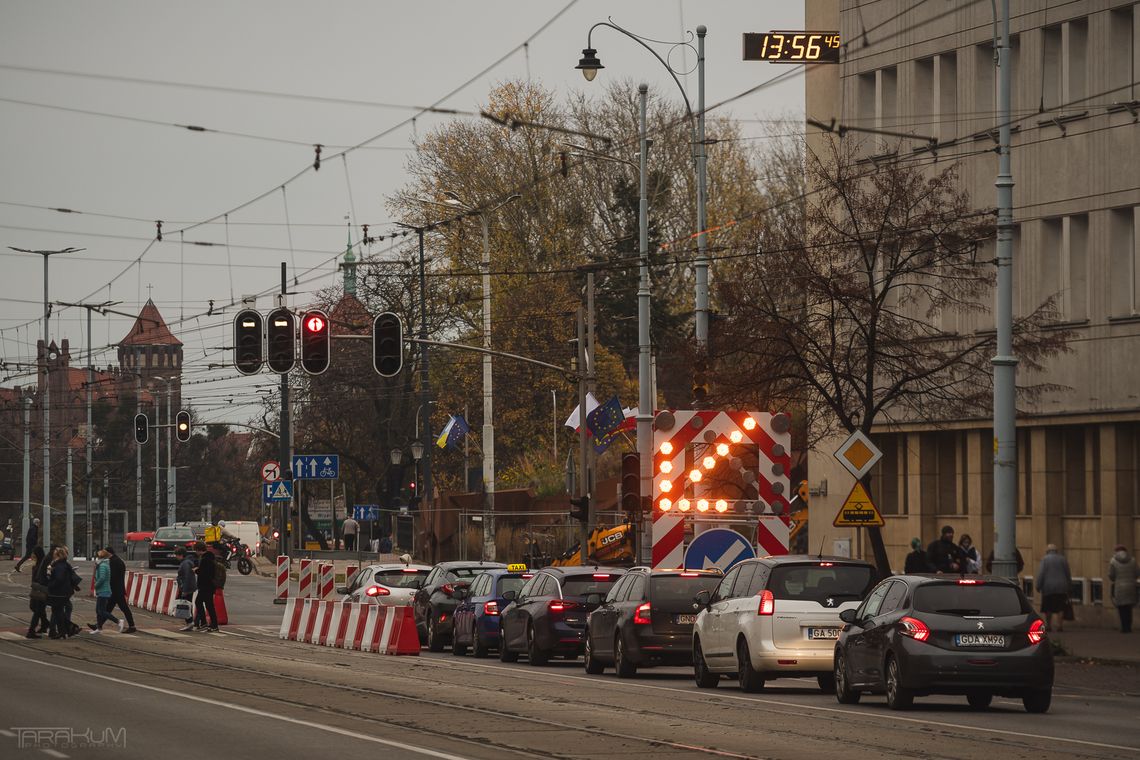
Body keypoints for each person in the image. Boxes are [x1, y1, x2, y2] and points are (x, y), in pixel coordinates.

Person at [1037, 544, 1072, 632]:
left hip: (1048, 587)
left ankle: (1049, 625)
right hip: (1061, 587)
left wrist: (1038, 585)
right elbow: (1067, 573)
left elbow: (1041, 574)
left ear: (1047, 551)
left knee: (1048, 607)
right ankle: (1060, 625)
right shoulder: (1063, 559)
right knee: (1060, 607)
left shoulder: (1044, 559)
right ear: (1056, 551)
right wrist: (1069, 585)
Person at [46, 546, 80, 638]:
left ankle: (68, 629)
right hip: (63, 592)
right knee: (58, 611)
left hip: (59, 592)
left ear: (58, 555)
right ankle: (65, 631)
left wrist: (50, 583)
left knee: (57, 611)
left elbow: (59, 579)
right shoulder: (62, 564)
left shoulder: (59, 565)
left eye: (54, 554)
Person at [86, 548, 122, 634]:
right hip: (102, 591)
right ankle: (99, 627)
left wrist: (95, 585)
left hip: (104, 591)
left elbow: (102, 578)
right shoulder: (102, 564)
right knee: (98, 610)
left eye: (97, 556)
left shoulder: (103, 565)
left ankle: (118, 621)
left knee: (101, 611)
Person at [104, 544, 137, 633]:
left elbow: (112, 576)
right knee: (107, 609)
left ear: (108, 553)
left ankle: (132, 626)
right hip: (117, 590)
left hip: (116, 591)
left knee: (124, 608)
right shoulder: (117, 560)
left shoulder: (114, 562)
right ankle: (98, 625)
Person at [1108, 544, 1137, 634]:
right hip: (1131, 586)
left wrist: (1114, 579)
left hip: (1119, 586)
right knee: (1129, 607)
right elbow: (1137, 573)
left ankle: (1124, 627)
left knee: (1121, 608)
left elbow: (1111, 575)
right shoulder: (1132, 560)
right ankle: (1129, 626)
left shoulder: (1113, 561)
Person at [192, 542, 219, 632]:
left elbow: (204, 573)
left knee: (200, 603)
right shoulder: (209, 558)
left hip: (206, 586)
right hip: (209, 586)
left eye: (196, 550)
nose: (196, 552)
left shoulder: (205, 559)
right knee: (208, 605)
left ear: (199, 550)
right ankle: (212, 624)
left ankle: (207, 623)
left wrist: (196, 571)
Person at [25, 546, 50, 638]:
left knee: (38, 610)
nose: (32, 555)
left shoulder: (42, 565)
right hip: (36, 590)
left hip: (41, 590)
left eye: (33, 553)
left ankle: (31, 631)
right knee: (35, 608)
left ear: (37, 554)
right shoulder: (36, 565)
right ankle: (45, 624)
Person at [174, 546, 197, 631]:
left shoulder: (186, 563)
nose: (176, 557)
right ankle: (189, 622)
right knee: (186, 604)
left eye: (176, 555)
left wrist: (185, 590)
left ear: (181, 555)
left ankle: (189, 622)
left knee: (185, 604)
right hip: (186, 587)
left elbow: (187, 577)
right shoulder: (186, 562)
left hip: (186, 588)